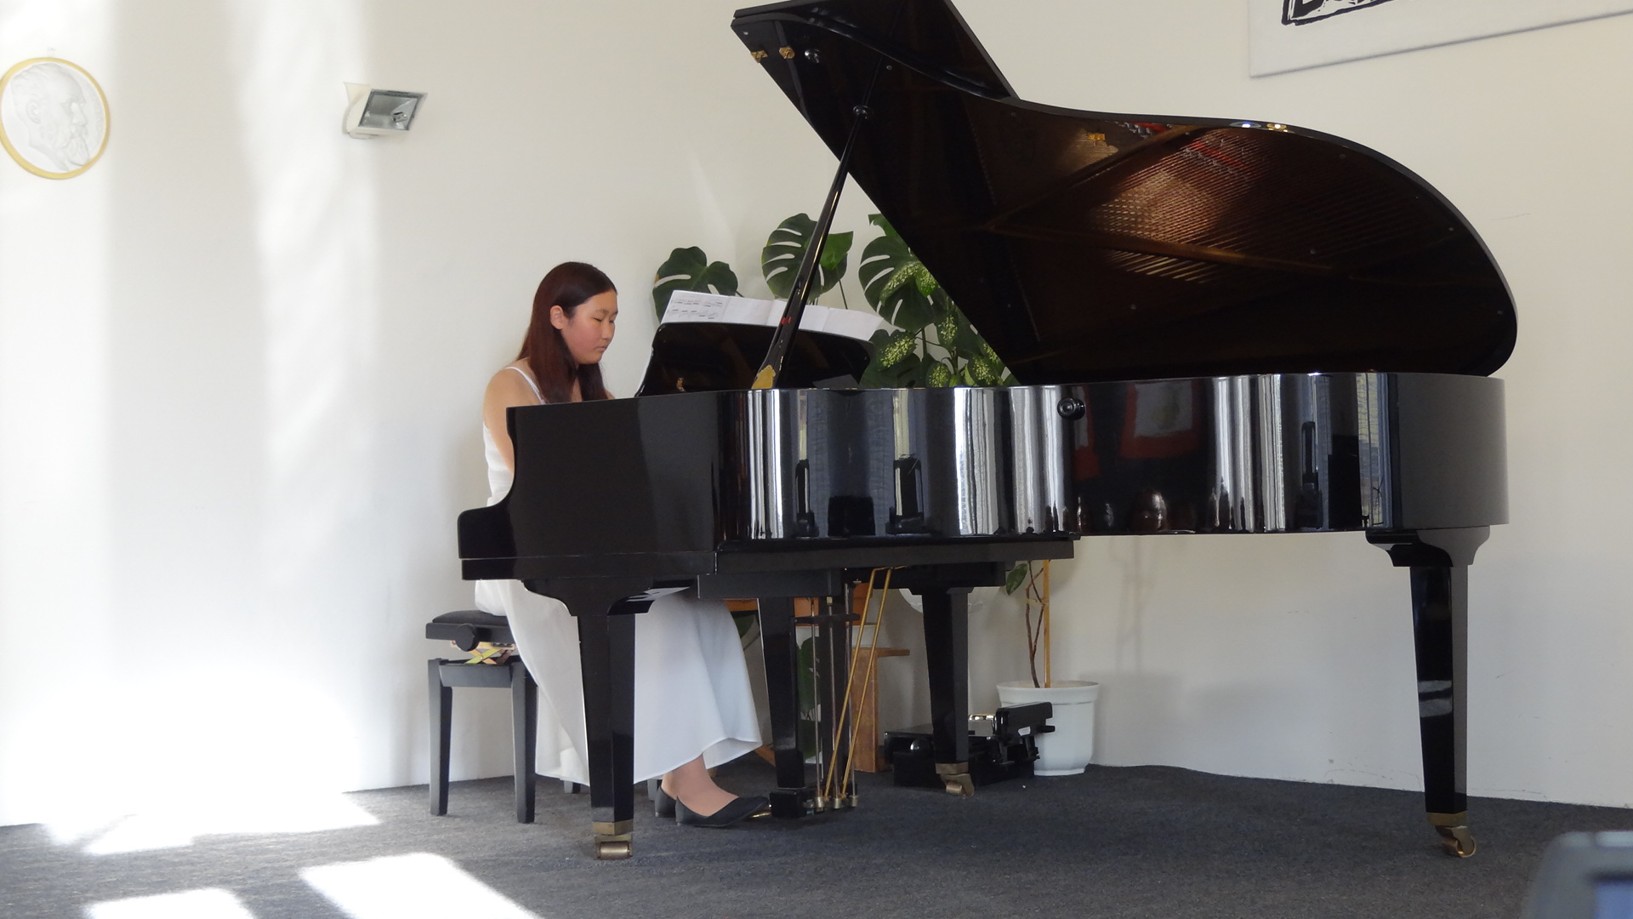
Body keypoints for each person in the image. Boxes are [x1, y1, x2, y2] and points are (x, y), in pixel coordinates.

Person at [473, 261, 767, 827]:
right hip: (530, 563)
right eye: (598, 318)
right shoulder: (510, 385)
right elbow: (540, 485)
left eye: (614, 319)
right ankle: (688, 783)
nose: (608, 332)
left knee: (698, 609)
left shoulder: (593, 390)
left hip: (592, 553)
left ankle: (683, 774)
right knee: (657, 619)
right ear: (557, 317)